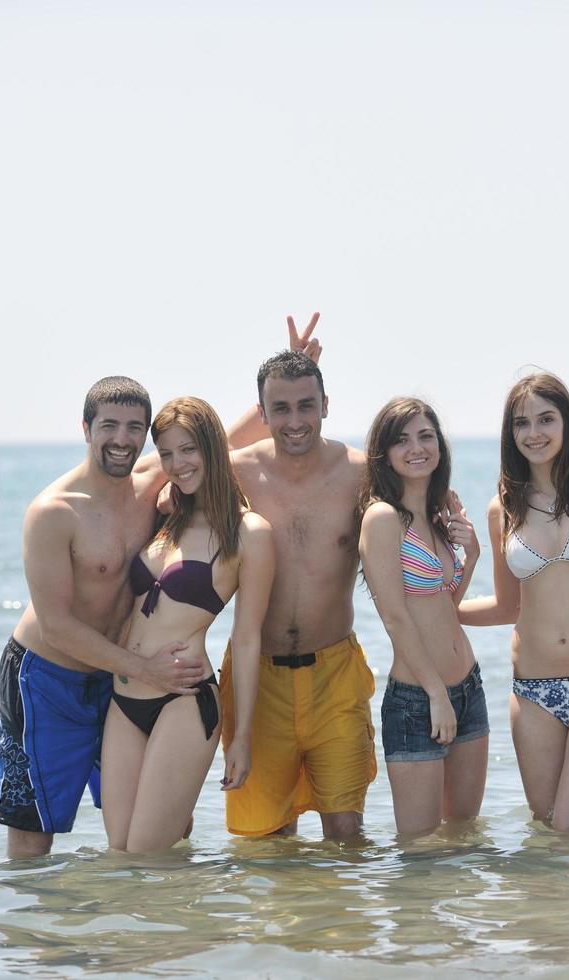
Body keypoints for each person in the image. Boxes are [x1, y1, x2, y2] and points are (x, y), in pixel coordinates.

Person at [458, 374, 569, 830]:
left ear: (567, 422)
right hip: (534, 692)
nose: (534, 433)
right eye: (522, 423)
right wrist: (443, 612)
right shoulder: (503, 508)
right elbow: (507, 607)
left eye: (546, 419)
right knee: (548, 826)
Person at [222, 315, 378, 840]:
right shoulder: (235, 474)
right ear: (261, 413)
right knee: (265, 848)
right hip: (256, 679)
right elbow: (178, 460)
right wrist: (295, 367)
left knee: (347, 837)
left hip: (335, 672)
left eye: (306, 405)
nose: (295, 421)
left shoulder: (361, 474)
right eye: (280, 408)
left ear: (326, 406)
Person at [100, 397, 274, 852]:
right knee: (120, 854)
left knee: (144, 858)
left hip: (184, 699)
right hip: (124, 698)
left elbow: (248, 637)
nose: (178, 464)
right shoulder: (165, 516)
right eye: (167, 453)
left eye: (190, 449)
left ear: (213, 448)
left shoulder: (249, 533)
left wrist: (241, 739)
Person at [358, 397, 487, 836]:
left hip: (468, 688)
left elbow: (445, 610)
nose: (417, 448)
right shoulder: (382, 519)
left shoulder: (436, 516)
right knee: (420, 854)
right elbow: (394, 618)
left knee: (465, 834)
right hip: (419, 699)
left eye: (426, 436)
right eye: (402, 440)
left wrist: (471, 554)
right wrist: (435, 694)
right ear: (385, 453)